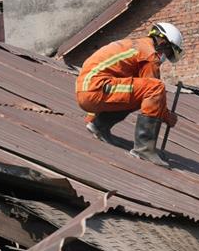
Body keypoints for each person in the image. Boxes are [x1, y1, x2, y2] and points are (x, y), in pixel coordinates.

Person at [75, 22, 184, 167]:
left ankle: (99, 125)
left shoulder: (136, 45)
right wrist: (168, 117)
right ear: (163, 42)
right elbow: (153, 93)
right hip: (96, 89)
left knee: (138, 90)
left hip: (89, 90)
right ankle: (144, 149)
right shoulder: (149, 54)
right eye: (169, 52)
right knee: (155, 87)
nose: (166, 57)